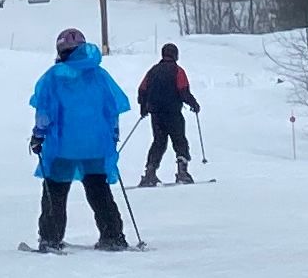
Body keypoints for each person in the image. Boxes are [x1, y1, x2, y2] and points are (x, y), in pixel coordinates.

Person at [27, 27, 134, 250]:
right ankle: (112, 235)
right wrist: (113, 135)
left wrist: (38, 136)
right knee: (99, 191)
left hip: (63, 147)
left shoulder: (53, 77)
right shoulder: (99, 76)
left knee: (54, 193)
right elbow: (111, 108)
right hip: (95, 146)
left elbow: (45, 112)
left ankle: (50, 237)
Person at [135, 43, 200, 183]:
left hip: (156, 114)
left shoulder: (153, 71)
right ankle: (182, 173)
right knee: (179, 140)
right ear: (175, 55)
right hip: (173, 113)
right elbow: (183, 91)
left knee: (159, 142)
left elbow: (142, 90)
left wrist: (143, 107)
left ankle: (150, 173)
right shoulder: (178, 71)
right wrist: (193, 104)